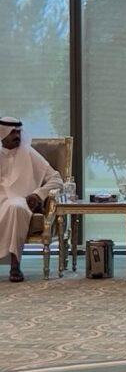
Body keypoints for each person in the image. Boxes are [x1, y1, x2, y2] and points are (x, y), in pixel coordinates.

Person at [0, 117, 63, 282]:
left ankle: (15, 265)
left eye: (18, 132)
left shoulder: (29, 153)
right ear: (2, 133)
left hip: (21, 199)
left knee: (15, 207)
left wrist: (38, 194)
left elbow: (56, 179)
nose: (17, 136)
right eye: (12, 132)